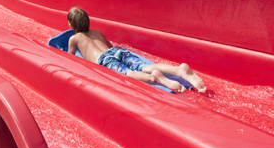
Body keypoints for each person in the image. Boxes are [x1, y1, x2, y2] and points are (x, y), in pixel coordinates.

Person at [67, 7, 206, 93]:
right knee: (145, 66)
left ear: (71, 24)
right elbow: (110, 48)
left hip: (105, 60)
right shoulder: (97, 32)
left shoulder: (74, 39)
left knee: (129, 73)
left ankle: (155, 79)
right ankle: (178, 70)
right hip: (117, 52)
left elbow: (70, 59)